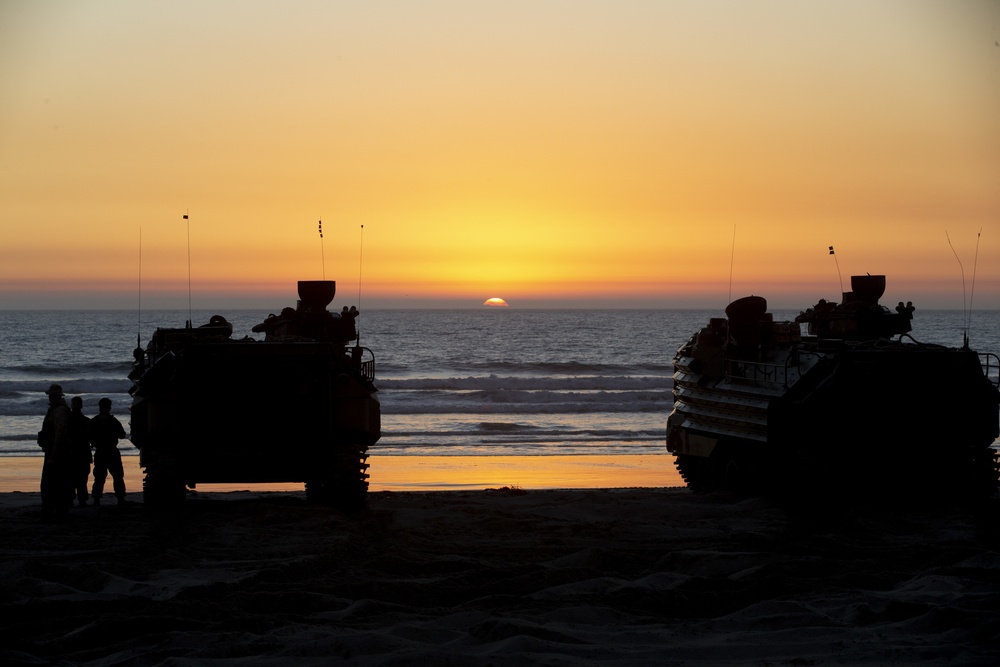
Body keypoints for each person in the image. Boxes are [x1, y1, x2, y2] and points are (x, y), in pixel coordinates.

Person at [38, 384, 73, 520]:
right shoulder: (57, 410)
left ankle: (55, 511)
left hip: (57, 453)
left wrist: (53, 454)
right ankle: (56, 510)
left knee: (52, 484)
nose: (50, 398)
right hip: (56, 451)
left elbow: (60, 434)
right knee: (55, 484)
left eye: (51, 396)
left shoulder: (59, 411)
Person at [90, 397, 129, 506]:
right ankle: (120, 498)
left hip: (100, 451)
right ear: (109, 408)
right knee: (117, 476)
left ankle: (96, 499)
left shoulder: (94, 421)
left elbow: (89, 437)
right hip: (112, 451)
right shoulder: (113, 421)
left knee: (99, 477)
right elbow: (122, 435)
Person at [68, 396, 93, 507]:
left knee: (81, 478)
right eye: (74, 404)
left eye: (77, 404)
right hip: (74, 452)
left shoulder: (85, 421)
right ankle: (75, 500)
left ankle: (80, 499)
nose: (75, 406)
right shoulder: (83, 421)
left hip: (79, 452)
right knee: (74, 478)